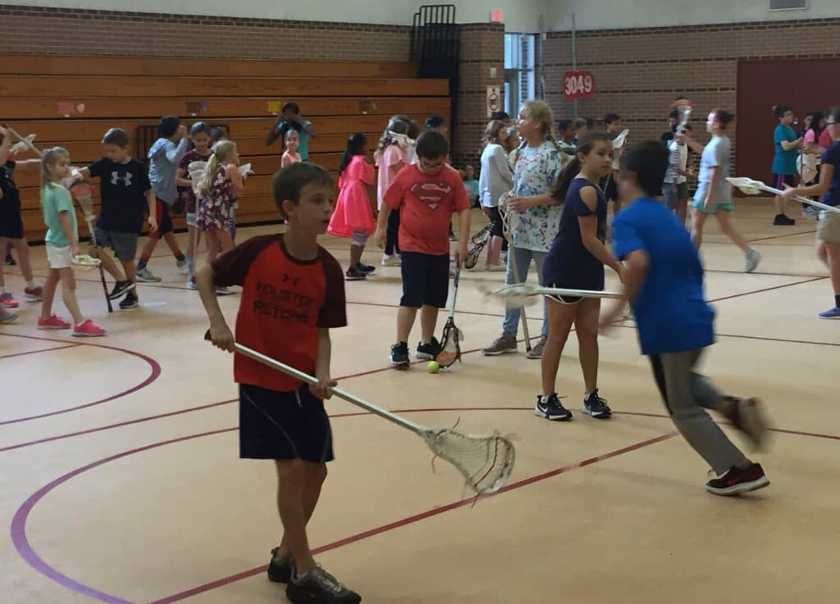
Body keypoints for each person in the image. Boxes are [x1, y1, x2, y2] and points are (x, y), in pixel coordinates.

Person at [198, 162, 360, 604]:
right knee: (290, 469)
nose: (327, 209)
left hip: (303, 380)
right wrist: (218, 322)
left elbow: (322, 330)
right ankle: (306, 570)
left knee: (316, 471)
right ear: (289, 208)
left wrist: (323, 373)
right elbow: (204, 273)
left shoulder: (328, 270)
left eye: (329, 200)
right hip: (259, 377)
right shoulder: (259, 252)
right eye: (316, 201)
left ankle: (286, 554)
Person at [602, 140, 770, 496]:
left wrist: (615, 311)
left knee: (681, 406)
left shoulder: (629, 218)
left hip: (667, 326)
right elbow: (693, 263)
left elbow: (639, 264)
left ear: (629, 177)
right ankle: (732, 407)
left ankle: (738, 469)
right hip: (697, 317)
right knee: (684, 381)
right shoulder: (667, 215)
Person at [537, 132, 622, 422]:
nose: (607, 159)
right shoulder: (584, 190)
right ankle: (546, 398)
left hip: (587, 270)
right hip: (566, 269)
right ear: (583, 156)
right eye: (601, 153)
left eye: (610, 154)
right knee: (558, 336)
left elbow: (598, 234)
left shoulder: (596, 189)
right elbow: (588, 239)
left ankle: (591, 394)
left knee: (589, 334)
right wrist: (619, 267)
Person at [374, 130, 470, 368]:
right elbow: (387, 202)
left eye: (437, 164)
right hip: (412, 245)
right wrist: (381, 228)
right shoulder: (407, 175)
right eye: (426, 164)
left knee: (434, 299)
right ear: (418, 157)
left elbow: (464, 209)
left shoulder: (452, 178)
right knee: (412, 297)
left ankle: (426, 343)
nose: (431, 169)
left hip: (439, 248)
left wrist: (463, 244)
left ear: (445, 158)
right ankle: (400, 345)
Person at [483, 100, 565, 359]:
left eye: (522, 117)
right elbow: (518, 186)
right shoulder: (518, 152)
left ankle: (547, 337)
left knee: (546, 287)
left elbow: (559, 195)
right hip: (519, 231)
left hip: (544, 233)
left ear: (538, 124)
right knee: (513, 284)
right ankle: (509, 335)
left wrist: (530, 202)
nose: (517, 122)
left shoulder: (553, 154)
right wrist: (510, 198)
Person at [77, 128, 157, 310]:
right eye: (107, 151)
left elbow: (149, 191)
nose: (110, 154)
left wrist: (152, 215)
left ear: (125, 148)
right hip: (106, 219)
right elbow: (85, 172)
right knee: (93, 249)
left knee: (126, 260)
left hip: (128, 221)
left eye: (113, 151)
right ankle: (121, 281)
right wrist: (72, 172)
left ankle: (132, 295)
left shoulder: (137, 167)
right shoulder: (105, 164)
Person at [37, 147, 106, 336]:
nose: (66, 167)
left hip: (53, 241)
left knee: (52, 280)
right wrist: (74, 244)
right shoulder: (60, 191)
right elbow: (64, 218)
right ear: (49, 167)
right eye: (61, 164)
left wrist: (72, 174)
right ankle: (80, 323)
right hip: (62, 244)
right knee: (69, 284)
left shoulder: (48, 187)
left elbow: (73, 176)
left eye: (68, 163)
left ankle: (45, 318)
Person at [781, 107, 840, 319]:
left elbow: (822, 186)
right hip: (833, 209)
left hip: (833, 209)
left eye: (830, 124)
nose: (827, 128)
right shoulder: (830, 151)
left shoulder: (833, 151)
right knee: (822, 252)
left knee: (833, 257)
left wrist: (795, 190)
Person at [690, 109, 761, 273]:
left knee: (696, 226)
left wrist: (709, 196)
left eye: (709, 120)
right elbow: (705, 153)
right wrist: (687, 139)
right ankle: (750, 253)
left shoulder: (716, 145)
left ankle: (690, 262)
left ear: (716, 124)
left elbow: (714, 170)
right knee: (725, 227)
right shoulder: (722, 141)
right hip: (722, 191)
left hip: (708, 189)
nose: (707, 123)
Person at [136, 116, 190, 282]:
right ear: (174, 130)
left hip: (159, 194)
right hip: (156, 195)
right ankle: (141, 267)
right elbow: (175, 158)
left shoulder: (161, 143)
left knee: (166, 229)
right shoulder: (167, 144)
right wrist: (185, 139)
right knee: (156, 232)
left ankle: (181, 260)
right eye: (179, 126)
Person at [0, 126, 42, 310]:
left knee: (23, 248)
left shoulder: (7, 165)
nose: (11, 150)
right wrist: (7, 137)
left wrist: (46, 160)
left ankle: (31, 286)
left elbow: (27, 164)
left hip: (12, 214)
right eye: (7, 147)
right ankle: (2, 293)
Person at [327, 133, 377, 280]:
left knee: (361, 231)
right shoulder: (360, 161)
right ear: (362, 146)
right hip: (356, 197)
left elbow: (341, 183)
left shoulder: (348, 160)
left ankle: (356, 263)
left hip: (348, 195)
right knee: (360, 231)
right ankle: (352, 268)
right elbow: (370, 180)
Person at [196, 140, 244, 292]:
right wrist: (243, 176)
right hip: (218, 212)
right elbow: (240, 192)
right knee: (229, 248)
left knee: (213, 247)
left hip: (206, 210)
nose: (238, 154)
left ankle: (204, 279)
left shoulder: (213, 167)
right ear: (229, 154)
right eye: (235, 151)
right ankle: (220, 279)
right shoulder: (231, 168)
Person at [374, 115, 416, 267]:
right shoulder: (393, 150)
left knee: (396, 223)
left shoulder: (389, 148)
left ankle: (396, 251)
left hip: (391, 191)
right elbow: (401, 172)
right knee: (392, 225)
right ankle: (388, 253)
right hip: (392, 192)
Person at [177, 122, 213, 289]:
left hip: (211, 205)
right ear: (192, 139)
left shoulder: (214, 156)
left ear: (210, 139)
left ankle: (208, 275)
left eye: (204, 139)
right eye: (198, 140)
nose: (201, 143)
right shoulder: (188, 157)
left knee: (210, 242)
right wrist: (193, 183)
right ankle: (191, 276)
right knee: (194, 241)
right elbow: (177, 179)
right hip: (193, 204)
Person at [479, 120, 514, 270]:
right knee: (499, 228)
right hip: (499, 193)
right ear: (495, 133)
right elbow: (505, 172)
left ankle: (490, 260)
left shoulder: (487, 149)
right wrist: (517, 184)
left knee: (494, 227)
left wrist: (481, 196)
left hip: (489, 193)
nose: (505, 134)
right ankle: (493, 261)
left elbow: (482, 175)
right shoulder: (498, 149)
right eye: (502, 132)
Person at [771, 104, 800, 226]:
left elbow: (793, 145)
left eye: (791, 114)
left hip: (790, 166)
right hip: (781, 166)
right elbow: (786, 146)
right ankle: (779, 216)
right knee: (779, 192)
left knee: (787, 193)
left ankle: (783, 214)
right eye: (788, 115)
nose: (791, 117)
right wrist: (799, 141)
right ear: (781, 118)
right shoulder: (780, 129)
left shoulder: (790, 129)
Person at [663, 124, 692, 226]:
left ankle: (680, 230)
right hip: (671, 182)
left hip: (681, 180)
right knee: (669, 208)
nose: (685, 134)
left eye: (686, 132)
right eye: (682, 132)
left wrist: (687, 172)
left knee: (683, 205)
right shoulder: (674, 148)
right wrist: (692, 175)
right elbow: (675, 169)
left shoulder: (685, 145)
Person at [604, 112, 625, 214]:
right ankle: (602, 222)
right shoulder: (604, 138)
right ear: (608, 124)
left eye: (619, 124)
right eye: (615, 124)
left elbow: (620, 155)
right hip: (607, 171)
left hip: (617, 169)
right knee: (605, 198)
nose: (618, 126)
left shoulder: (620, 137)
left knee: (618, 198)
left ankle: (617, 222)